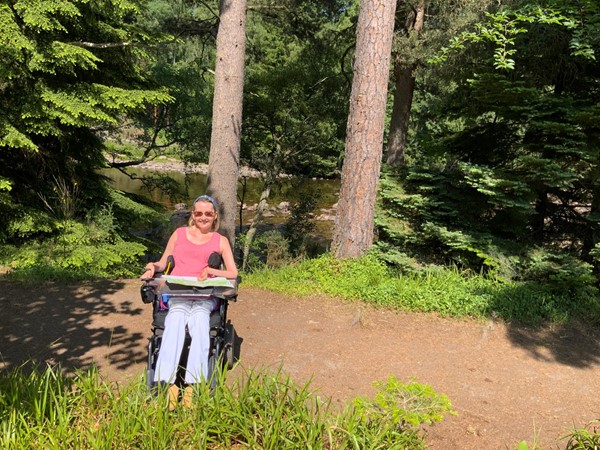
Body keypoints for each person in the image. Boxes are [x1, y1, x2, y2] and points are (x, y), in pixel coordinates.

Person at [141, 194, 238, 408]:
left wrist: (211, 271)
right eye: (198, 213)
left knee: (201, 325)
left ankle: (193, 384)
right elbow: (163, 261)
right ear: (193, 215)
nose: (203, 217)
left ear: (215, 216)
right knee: (174, 323)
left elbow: (232, 273)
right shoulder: (179, 234)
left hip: (204, 296)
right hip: (178, 293)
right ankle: (168, 382)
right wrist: (151, 266)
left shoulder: (220, 241)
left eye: (208, 214)